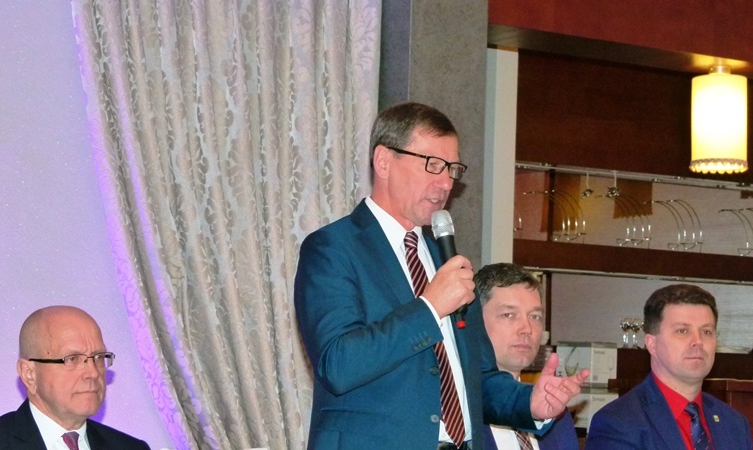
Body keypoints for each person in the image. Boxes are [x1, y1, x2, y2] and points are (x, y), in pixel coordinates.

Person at [294, 102, 588, 449]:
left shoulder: (444, 260)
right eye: (432, 165)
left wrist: (530, 404)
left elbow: (477, 379)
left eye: (452, 169)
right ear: (384, 161)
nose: (446, 182)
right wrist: (430, 308)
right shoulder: (333, 248)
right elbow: (338, 364)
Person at [585, 284, 752, 449]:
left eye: (706, 331)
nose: (698, 341)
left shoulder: (734, 424)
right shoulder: (619, 422)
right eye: (682, 331)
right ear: (652, 344)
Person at [0, 305, 150, 450]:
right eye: (72, 359)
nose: (93, 373)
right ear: (29, 374)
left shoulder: (131, 447)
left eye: (99, 357)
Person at [475, 263, 579, 450]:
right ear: (475, 322)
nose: (527, 329)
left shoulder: (554, 414)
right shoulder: (456, 411)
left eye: (535, 316)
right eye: (508, 315)